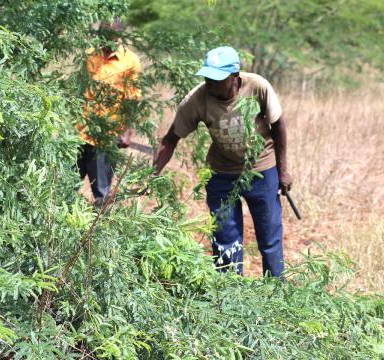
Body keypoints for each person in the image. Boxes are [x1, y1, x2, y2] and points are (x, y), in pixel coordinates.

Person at [153, 46, 292, 277]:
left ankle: (275, 290)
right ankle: (228, 294)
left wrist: (283, 170)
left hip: (261, 170)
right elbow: (170, 139)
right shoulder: (197, 99)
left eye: (218, 80)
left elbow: (278, 125)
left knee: (269, 236)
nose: (211, 84)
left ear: (234, 77)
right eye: (208, 78)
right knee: (225, 239)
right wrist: (152, 175)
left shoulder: (257, 86)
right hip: (222, 174)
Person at [76, 19, 141, 206]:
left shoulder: (130, 61)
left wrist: (127, 132)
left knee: (101, 195)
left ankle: (96, 231)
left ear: (119, 35)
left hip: (107, 137)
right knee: (65, 185)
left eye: (111, 35)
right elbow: (79, 90)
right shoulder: (89, 55)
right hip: (80, 133)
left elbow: (132, 100)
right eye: (103, 34)